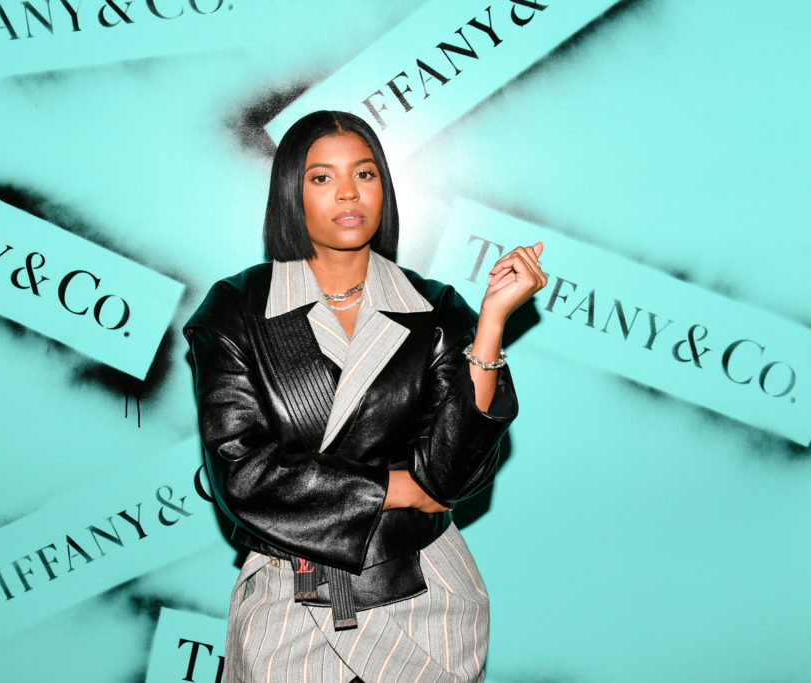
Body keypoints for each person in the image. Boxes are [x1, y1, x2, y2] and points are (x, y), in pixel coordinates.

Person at [184, 110, 547, 682]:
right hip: (290, 600)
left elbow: (451, 477)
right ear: (291, 192)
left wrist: (492, 323)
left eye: (365, 173)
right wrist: (397, 488)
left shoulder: (434, 309)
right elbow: (244, 475)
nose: (348, 192)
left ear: (384, 188)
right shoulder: (237, 310)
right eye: (322, 177)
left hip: (423, 596)